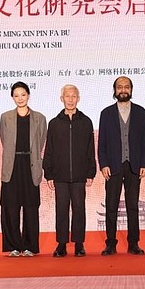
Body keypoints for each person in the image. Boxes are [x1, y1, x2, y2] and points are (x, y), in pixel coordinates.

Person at [97, 76, 145, 256]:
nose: (123, 90)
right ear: (115, 90)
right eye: (119, 87)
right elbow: (102, 142)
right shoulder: (106, 113)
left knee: (132, 205)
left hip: (134, 165)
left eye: (126, 87)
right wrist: (103, 164)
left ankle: (133, 243)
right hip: (113, 165)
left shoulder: (141, 112)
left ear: (131, 89)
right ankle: (110, 243)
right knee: (111, 206)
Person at [43, 84, 96, 258]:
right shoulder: (54, 123)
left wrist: (90, 172)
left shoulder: (86, 122)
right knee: (62, 210)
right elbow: (49, 149)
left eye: (74, 96)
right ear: (62, 99)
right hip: (60, 175)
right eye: (67, 96)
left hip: (80, 175)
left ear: (78, 99)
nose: (71, 99)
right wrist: (49, 174)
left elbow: (90, 149)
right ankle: (61, 243)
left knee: (79, 209)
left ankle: (79, 244)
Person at [0, 81, 47, 257]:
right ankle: (13, 246)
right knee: (10, 206)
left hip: (31, 165)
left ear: (28, 95)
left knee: (31, 207)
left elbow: (41, 140)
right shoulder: (5, 117)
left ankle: (29, 246)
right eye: (16, 95)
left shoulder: (40, 118)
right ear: (12, 97)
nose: (20, 98)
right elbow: (4, 139)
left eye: (23, 95)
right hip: (12, 166)